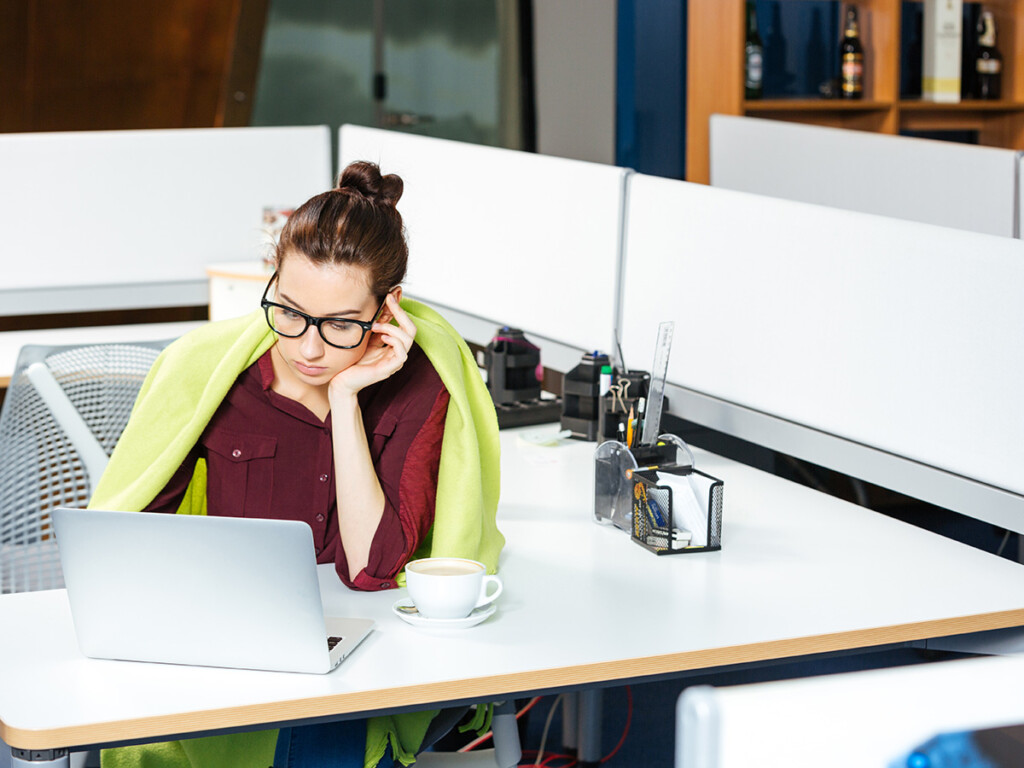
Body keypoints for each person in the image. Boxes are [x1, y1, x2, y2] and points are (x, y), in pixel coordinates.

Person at [89, 161, 505, 768]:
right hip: (227, 644)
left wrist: (346, 400)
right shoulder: (208, 373)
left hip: (366, 654)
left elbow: (370, 571)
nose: (308, 348)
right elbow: (125, 544)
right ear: (273, 280)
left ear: (387, 308)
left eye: (340, 324)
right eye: (288, 311)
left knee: (318, 729)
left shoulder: (423, 385)